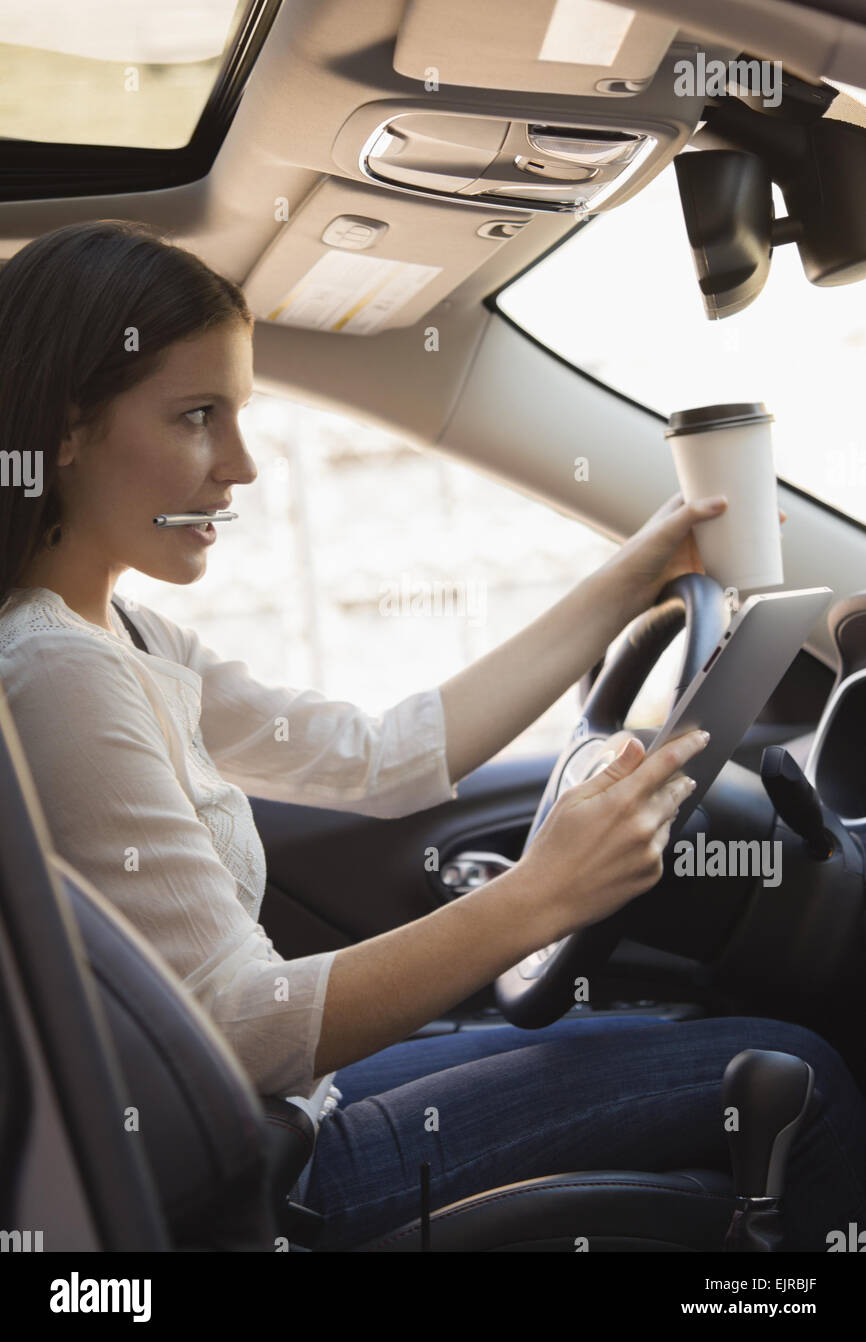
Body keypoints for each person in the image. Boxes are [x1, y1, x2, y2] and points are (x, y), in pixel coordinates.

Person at [0, 220, 863, 1254]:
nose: (240, 464)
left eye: (238, 415)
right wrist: (542, 892)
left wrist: (633, 574)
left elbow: (381, 754)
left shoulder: (121, 631)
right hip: (271, 1170)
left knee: (693, 1040)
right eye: (196, 417)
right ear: (64, 427)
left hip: (277, 1115)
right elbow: (241, 1025)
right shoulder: (57, 673)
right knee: (791, 1071)